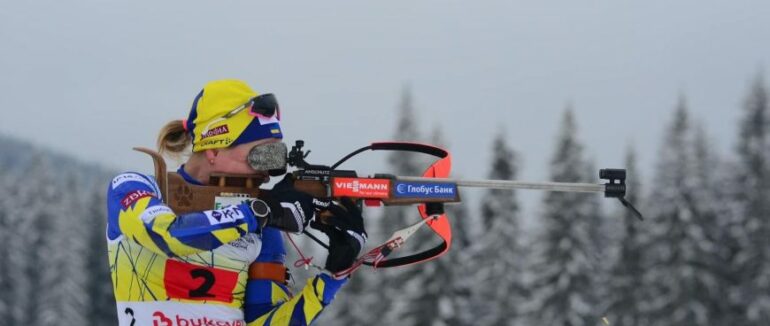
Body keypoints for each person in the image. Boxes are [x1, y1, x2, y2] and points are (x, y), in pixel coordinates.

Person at [106, 79, 367, 325]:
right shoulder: (135, 187)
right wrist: (261, 211)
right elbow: (167, 234)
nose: (266, 172)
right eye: (261, 156)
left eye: (276, 158)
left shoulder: (262, 226)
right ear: (214, 149)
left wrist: (333, 276)